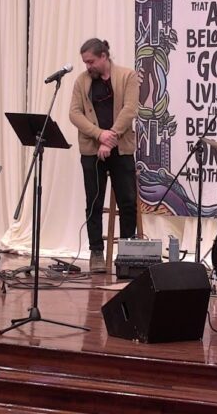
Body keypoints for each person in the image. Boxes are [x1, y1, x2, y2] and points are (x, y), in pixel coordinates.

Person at [69, 38, 139, 269]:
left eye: (90, 61)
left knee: (127, 201)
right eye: (85, 62)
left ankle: (128, 253)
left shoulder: (127, 76)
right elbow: (75, 114)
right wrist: (99, 135)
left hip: (122, 148)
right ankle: (96, 252)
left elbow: (130, 110)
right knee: (94, 202)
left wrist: (111, 137)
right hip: (92, 150)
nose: (87, 66)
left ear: (103, 57)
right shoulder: (82, 81)